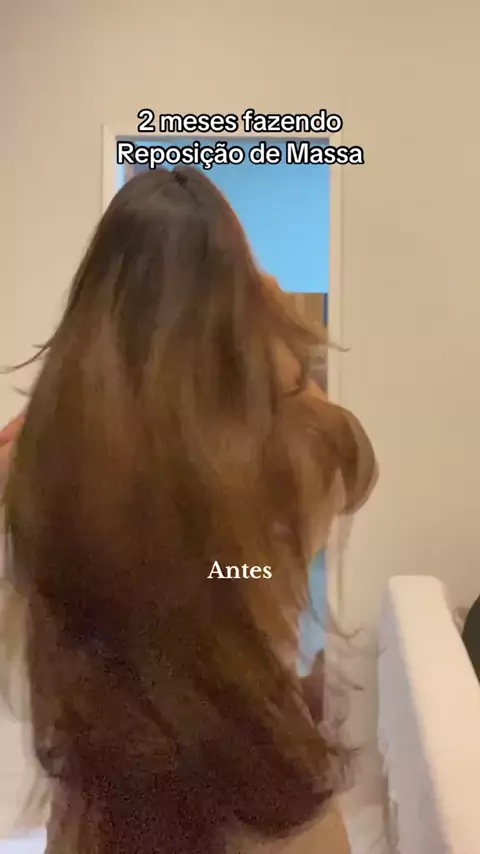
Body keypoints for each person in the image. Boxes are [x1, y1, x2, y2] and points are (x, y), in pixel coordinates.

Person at [1, 166, 377, 854]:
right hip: (264, 796)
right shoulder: (291, 453)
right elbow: (351, 469)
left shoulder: (38, 460)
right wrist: (276, 327)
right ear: (240, 309)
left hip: (103, 812)